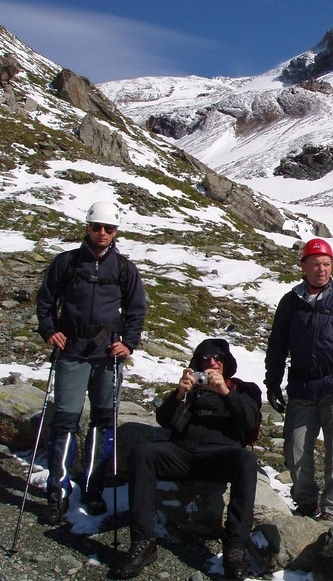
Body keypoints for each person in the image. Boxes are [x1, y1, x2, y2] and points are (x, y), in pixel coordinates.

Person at [110, 338, 262, 580]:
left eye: (218, 358)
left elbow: (250, 421)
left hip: (219, 455)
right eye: (205, 358)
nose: (212, 363)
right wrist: (180, 393)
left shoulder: (243, 389)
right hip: (181, 453)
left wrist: (224, 391)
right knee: (143, 453)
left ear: (227, 363)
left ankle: (234, 548)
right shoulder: (193, 389)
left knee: (245, 460)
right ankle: (143, 541)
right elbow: (164, 420)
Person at [35, 200, 146, 524]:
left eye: (108, 229)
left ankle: (93, 488)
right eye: (97, 227)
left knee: (102, 421)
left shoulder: (124, 269)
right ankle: (57, 494)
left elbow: (136, 310)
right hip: (71, 351)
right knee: (66, 422)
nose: (102, 233)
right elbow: (45, 300)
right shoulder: (66, 263)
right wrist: (48, 330)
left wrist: (129, 343)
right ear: (87, 227)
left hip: (107, 355)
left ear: (115, 232)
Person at [265, 237, 333, 522]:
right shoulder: (290, 302)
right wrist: (272, 381)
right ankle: (305, 503)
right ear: (303, 266)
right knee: (296, 449)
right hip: (302, 387)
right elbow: (277, 346)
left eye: (326, 264)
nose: (321, 270)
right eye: (315, 264)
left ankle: (331, 509)